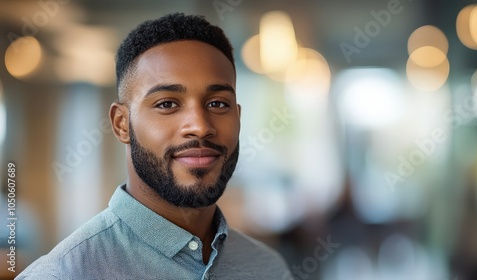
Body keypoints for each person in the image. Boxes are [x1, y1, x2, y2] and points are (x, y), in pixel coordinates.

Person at [17, 13, 293, 280]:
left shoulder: (269, 269)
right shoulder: (63, 274)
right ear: (122, 124)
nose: (199, 126)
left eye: (218, 104)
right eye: (167, 104)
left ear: (239, 117)